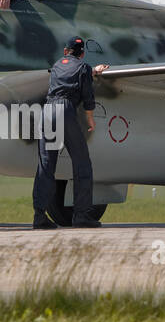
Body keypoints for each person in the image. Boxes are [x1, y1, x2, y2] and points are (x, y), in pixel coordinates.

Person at [31, 37, 109, 229]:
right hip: (65, 111)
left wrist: (89, 71)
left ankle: (39, 217)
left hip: (48, 111)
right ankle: (81, 216)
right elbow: (87, 94)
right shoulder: (83, 67)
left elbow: (67, 76)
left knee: (46, 166)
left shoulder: (57, 65)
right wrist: (90, 117)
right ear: (81, 53)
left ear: (66, 51)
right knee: (82, 164)